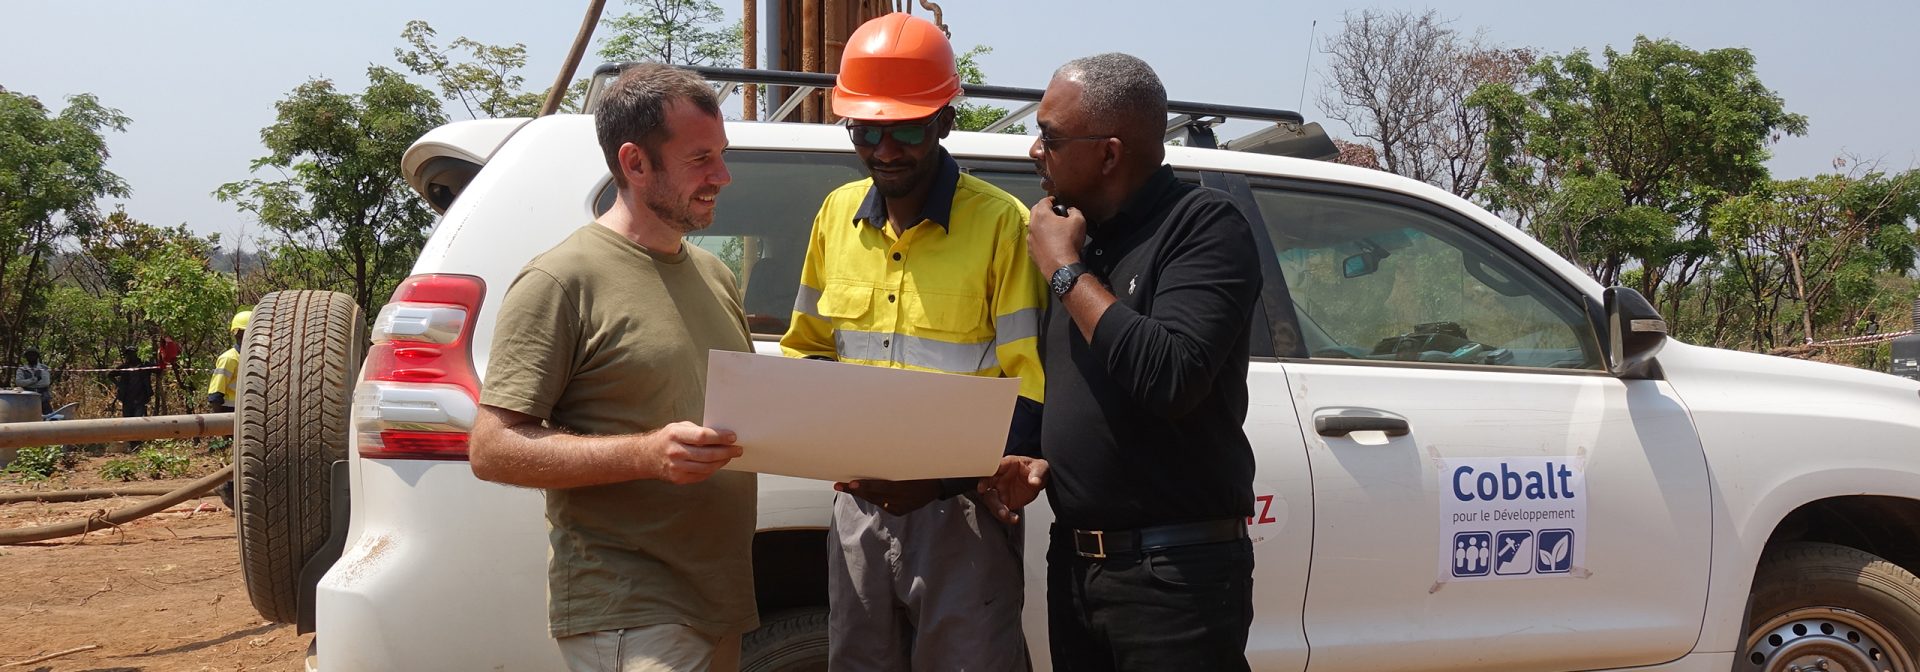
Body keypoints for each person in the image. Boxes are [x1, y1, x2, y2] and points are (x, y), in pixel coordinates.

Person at [778, 12, 1046, 671]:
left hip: (961, 516)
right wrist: (835, 450)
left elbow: (1029, 385)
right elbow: (807, 350)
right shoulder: (835, 216)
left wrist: (942, 477)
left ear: (946, 122)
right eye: (866, 129)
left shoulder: (1001, 226)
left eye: (907, 129)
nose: (886, 148)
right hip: (857, 512)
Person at [981, 53, 1264, 671]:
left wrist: (1063, 270)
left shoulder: (1202, 226)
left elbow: (1170, 377)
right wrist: (1045, 463)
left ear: (1109, 154)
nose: (1034, 150)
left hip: (1172, 579)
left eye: (1050, 137)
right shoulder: (1084, 238)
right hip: (1078, 567)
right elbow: (1100, 400)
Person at [467, 63, 754, 672]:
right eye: (700, 158)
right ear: (635, 162)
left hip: (720, 604)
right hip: (630, 609)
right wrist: (646, 455)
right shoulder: (561, 280)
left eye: (721, 155)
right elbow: (491, 447)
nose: (722, 177)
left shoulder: (716, 275)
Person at [207, 311, 249, 412]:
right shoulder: (229, 359)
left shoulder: (259, 358)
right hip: (230, 411)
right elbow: (216, 394)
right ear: (238, 334)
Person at [111, 346, 155, 419]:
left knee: (138, 420)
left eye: (132, 354)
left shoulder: (145, 365)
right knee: (127, 421)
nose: (130, 356)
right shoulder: (124, 367)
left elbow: (158, 369)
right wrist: (119, 384)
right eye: (128, 354)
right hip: (127, 398)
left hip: (141, 397)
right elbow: (110, 375)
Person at [12, 349, 52, 416]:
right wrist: (35, 379)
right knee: (28, 417)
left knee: (48, 417)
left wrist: (27, 383)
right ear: (26, 357)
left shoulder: (44, 368)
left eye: (33, 355)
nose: (31, 357)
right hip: (27, 398)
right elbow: (19, 382)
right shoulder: (22, 369)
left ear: (37, 356)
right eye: (29, 355)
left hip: (43, 397)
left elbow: (46, 382)